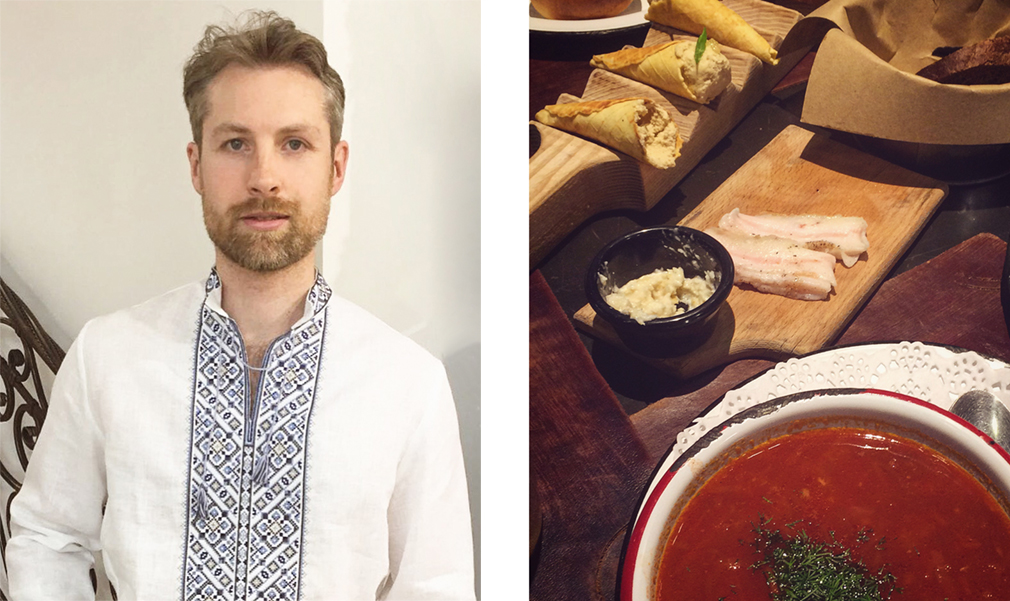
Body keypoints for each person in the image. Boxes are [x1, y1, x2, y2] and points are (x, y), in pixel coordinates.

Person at [6, 11, 474, 601]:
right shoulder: (108, 357)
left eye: (294, 144)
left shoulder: (408, 384)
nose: (264, 177)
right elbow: (46, 536)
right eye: (235, 144)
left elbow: (435, 587)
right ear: (196, 165)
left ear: (335, 168)